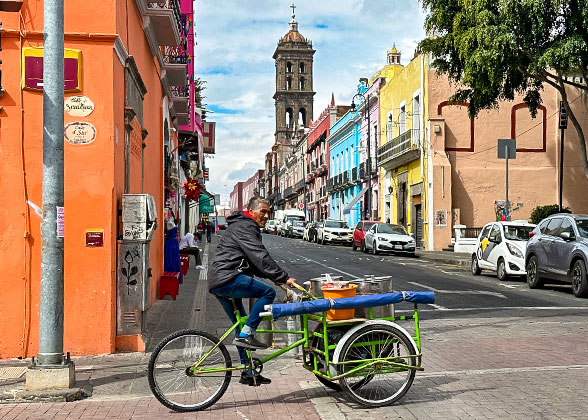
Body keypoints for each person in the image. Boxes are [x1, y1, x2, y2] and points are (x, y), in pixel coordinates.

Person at [208, 196, 296, 386]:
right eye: (262, 211)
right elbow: (260, 256)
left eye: (268, 213)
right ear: (251, 210)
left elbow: (254, 262)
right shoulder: (246, 226)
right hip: (228, 277)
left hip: (220, 280)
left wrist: (273, 276)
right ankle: (248, 334)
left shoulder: (240, 224)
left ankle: (248, 371)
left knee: (239, 327)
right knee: (268, 294)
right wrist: (282, 277)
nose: (265, 216)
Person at [164, 217, 182, 282]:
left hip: (174, 242)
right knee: (171, 257)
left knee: (174, 257)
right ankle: (171, 271)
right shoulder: (170, 223)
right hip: (171, 242)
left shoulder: (171, 223)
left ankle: (175, 272)